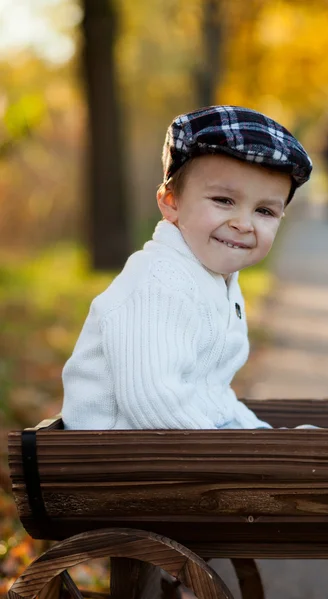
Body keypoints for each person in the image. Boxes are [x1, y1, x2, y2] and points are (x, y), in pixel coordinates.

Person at [61, 105, 313, 430]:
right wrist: (235, 456)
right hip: (121, 462)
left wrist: (264, 437)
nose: (243, 223)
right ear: (171, 202)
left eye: (264, 210)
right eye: (223, 200)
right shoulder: (160, 283)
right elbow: (153, 400)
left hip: (176, 448)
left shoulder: (216, 279)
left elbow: (213, 394)